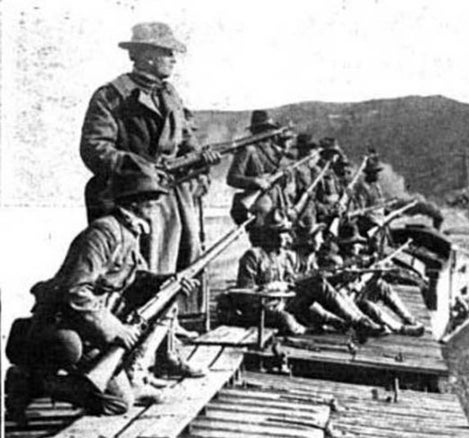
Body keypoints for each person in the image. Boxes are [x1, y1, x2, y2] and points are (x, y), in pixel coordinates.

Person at [4, 160, 199, 421]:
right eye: (151, 200)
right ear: (133, 203)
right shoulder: (103, 233)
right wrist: (116, 330)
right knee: (69, 348)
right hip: (66, 324)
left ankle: (126, 379)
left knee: (118, 403)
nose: (156, 206)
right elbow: (75, 291)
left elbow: (132, 278)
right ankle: (28, 383)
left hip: (92, 327)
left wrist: (168, 281)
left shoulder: (129, 231)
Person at [78, 21, 213, 369]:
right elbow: (94, 149)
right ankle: (126, 362)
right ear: (147, 56)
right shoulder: (112, 95)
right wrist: (139, 167)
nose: (173, 60)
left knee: (177, 274)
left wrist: (200, 159)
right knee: (139, 276)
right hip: (132, 197)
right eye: (167, 53)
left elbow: (185, 140)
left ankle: (166, 352)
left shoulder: (170, 94)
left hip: (172, 197)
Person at [216, 211, 385, 337]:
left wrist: (322, 277)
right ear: (271, 234)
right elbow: (245, 296)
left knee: (318, 285)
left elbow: (292, 281)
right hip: (260, 310)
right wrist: (269, 288)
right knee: (287, 321)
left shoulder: (285, 256)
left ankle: (357, 323)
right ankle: (336, 325)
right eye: (283, 233)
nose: (288, 237)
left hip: (283, 302)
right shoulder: (253, 256)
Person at [332, 222, 425, 337]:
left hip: (355, 295)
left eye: (357, 244)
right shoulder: (337, 261)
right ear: (345, 245)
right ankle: (400, 328)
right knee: (368, 306)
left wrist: (375, 272)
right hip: (346, 305)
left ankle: (408, 318)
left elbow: (361, 281)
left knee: (381, 285)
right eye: (353, 244)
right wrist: (361, 278)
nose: (357, 247)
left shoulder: (356, 259)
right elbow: (340, 290)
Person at [226, 110, 296, 219]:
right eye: (264, 129)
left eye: (269, 129)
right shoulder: (248, 150)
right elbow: (232, 178)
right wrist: (255, 181)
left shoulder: (277, 153)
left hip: (279, 206)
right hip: (259, 208)